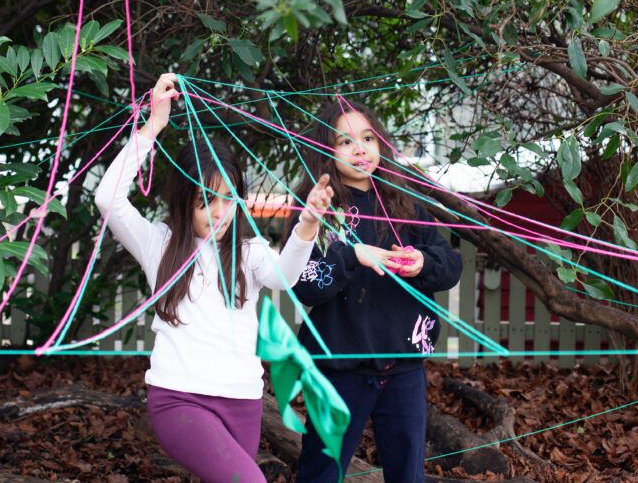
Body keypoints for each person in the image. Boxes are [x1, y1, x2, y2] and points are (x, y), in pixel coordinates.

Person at [94, 73, 334, 483]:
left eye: (228, 198)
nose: (220, 211)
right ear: (185, 198)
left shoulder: (248, 252)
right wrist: (152, 127)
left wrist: (308, 225)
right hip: (178, 399)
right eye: (207, 199)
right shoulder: (159, 244)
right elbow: (107, 199)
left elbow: (285, 276)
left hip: (242, 400)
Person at [289, 99, 462, 483]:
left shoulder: (409, 204)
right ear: (325, 152)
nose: (360, 149)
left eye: (367, 138)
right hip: (338, 370)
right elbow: (305, 285)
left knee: (406, 474)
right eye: (345, 142)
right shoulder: (316, 208)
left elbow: (450, 265)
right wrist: (351, 256)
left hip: (403, 368)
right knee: (321, 471)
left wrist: (422, 263)